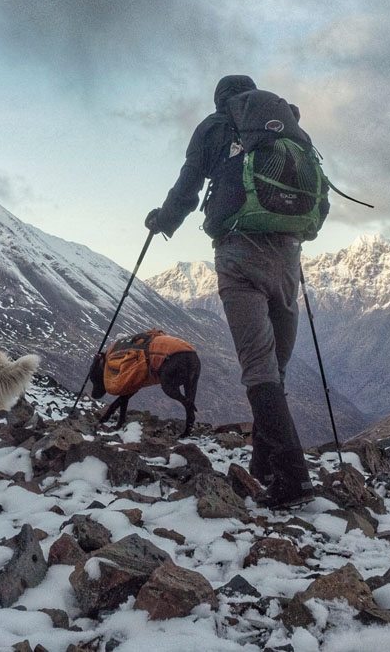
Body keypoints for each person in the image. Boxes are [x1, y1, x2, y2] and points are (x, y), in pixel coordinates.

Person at [145, 75, 315, 510]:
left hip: (239, 253)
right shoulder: (287, 130)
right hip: (287, 255)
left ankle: (293, 478)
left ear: (221, 101)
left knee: (258, 367)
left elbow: (188, 187)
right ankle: (264, 466)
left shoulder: (214, 128)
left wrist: (162, 221)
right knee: (276, 366)